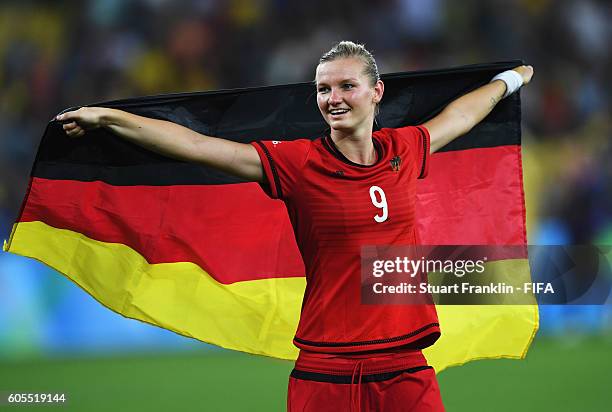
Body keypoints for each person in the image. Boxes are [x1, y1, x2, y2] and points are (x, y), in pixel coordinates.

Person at [56, 41, 533, 411]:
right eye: (324, 89)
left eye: (346, 86)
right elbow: (200, 147)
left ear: (376, 92)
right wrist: (112, 116)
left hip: (404, 364)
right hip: (326, 369)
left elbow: (462, 115)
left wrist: (510, 79)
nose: (333, 98)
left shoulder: (406, 149)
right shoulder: (298, 162)